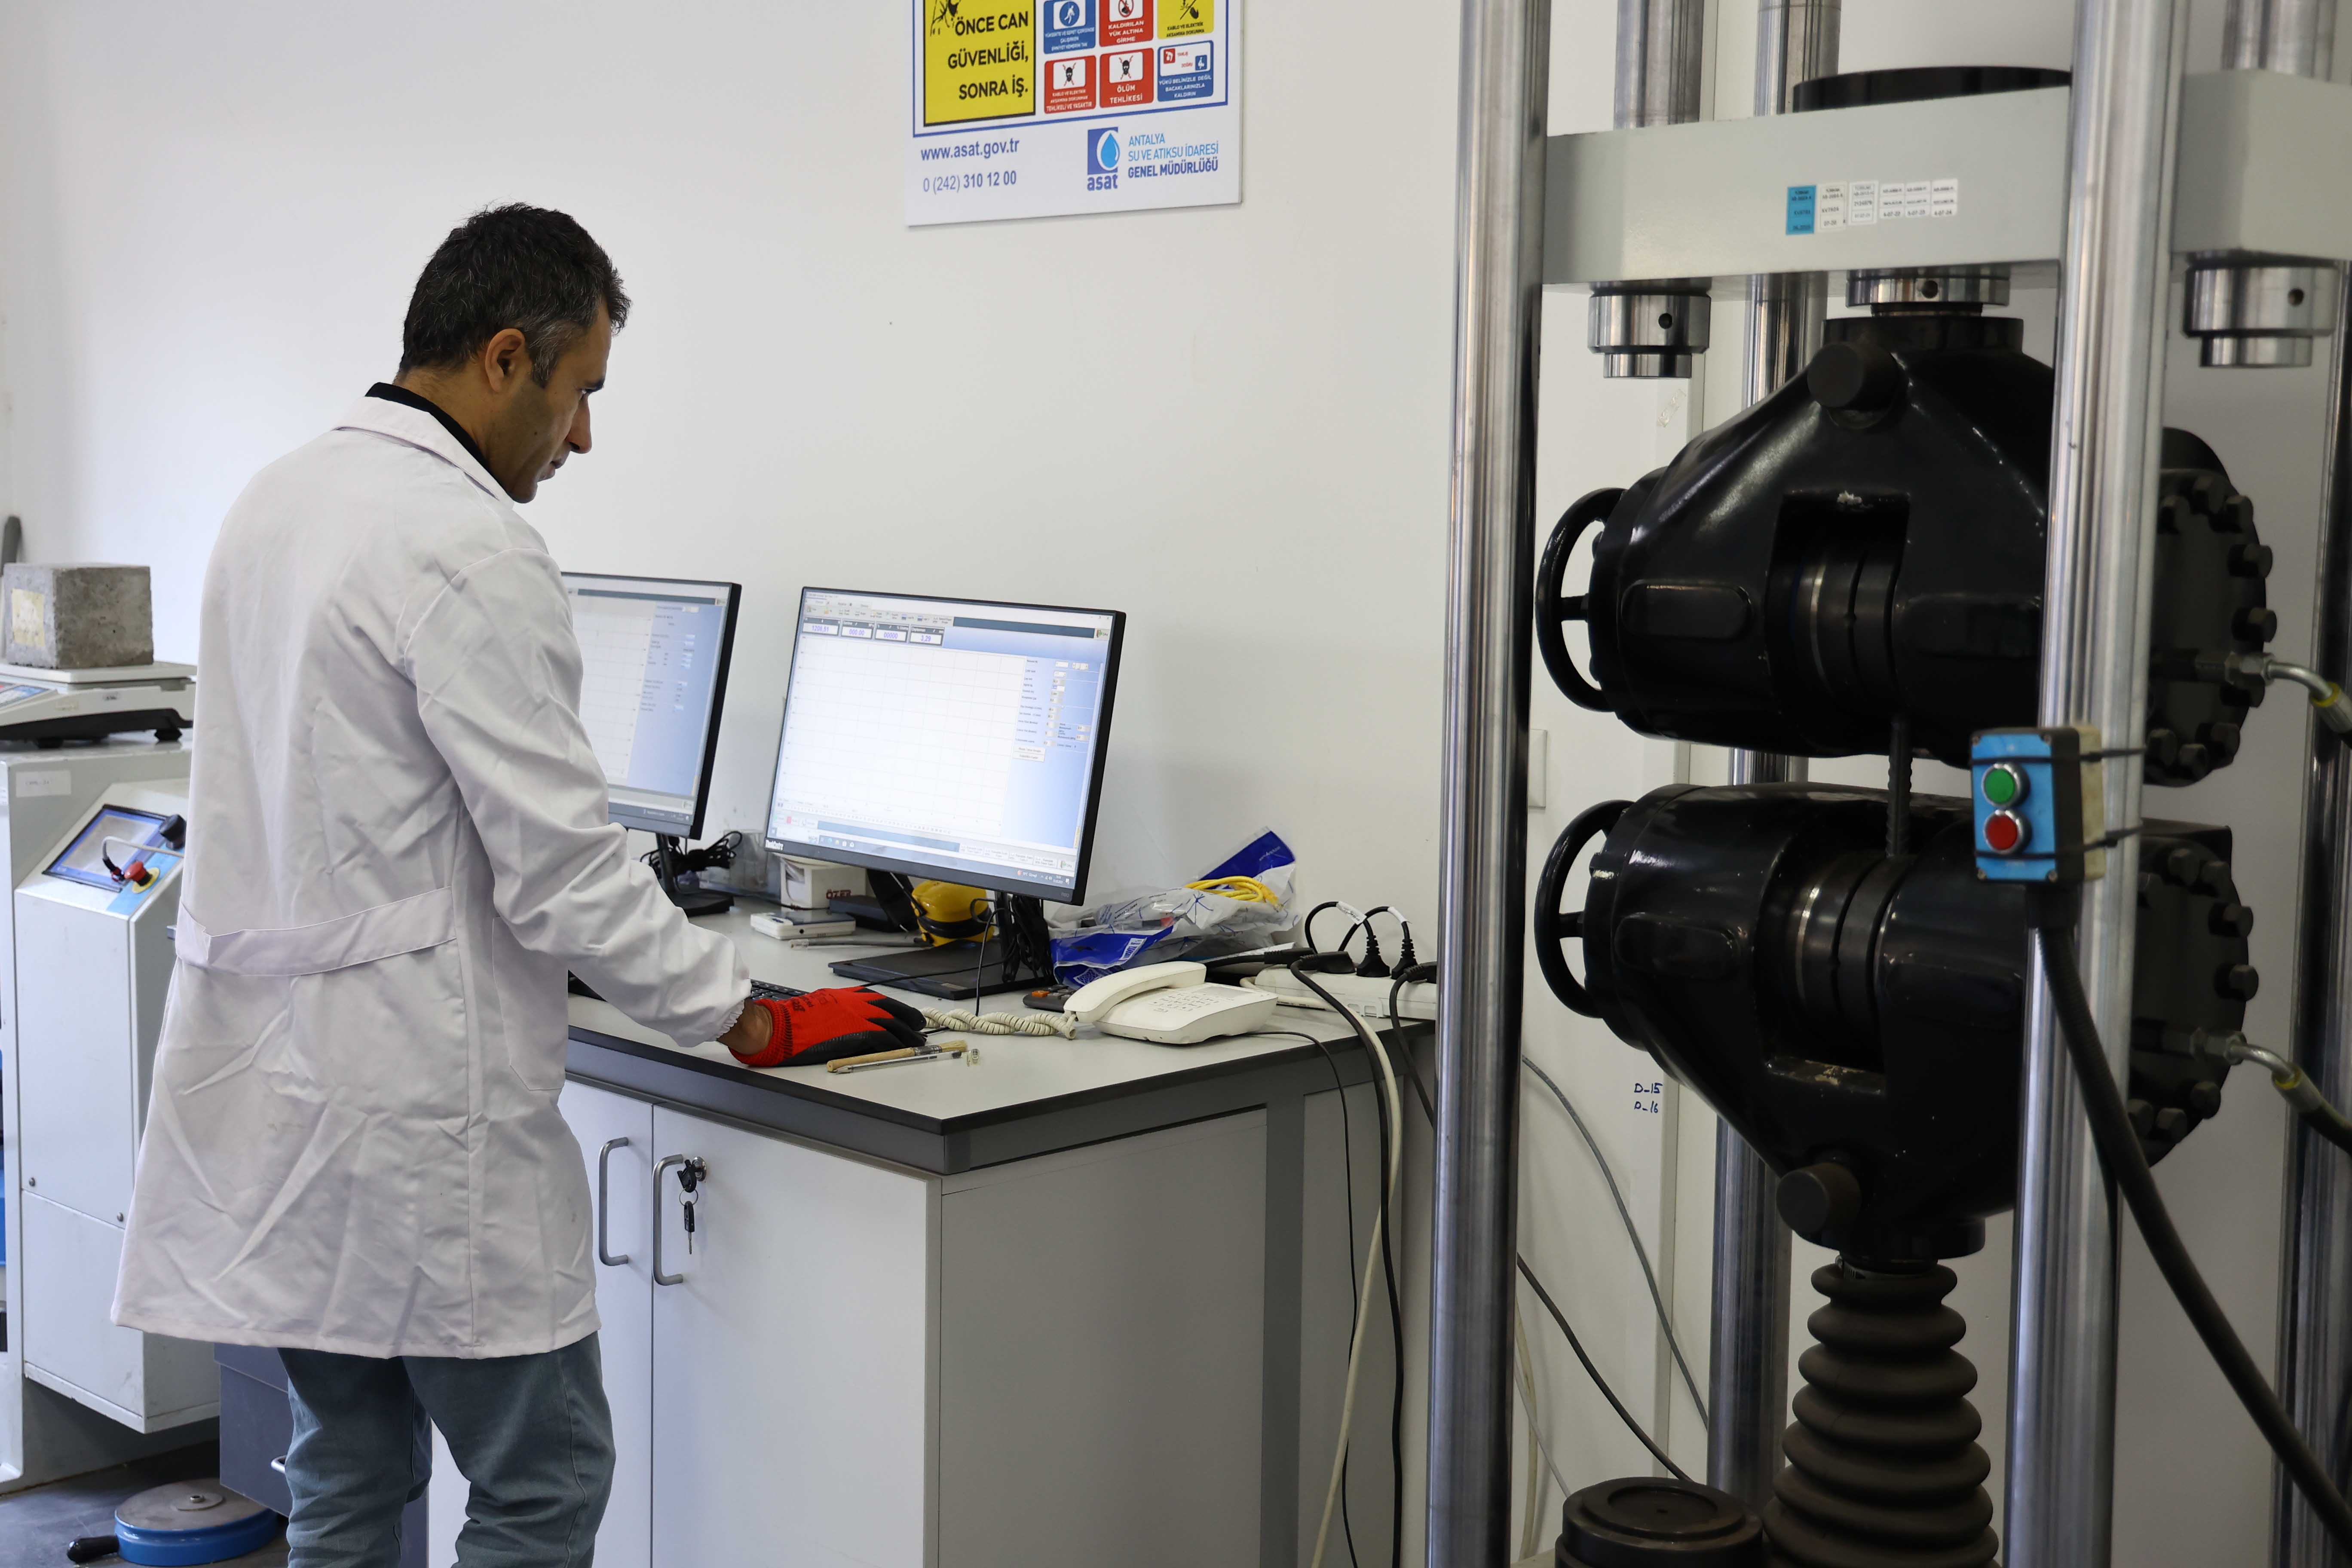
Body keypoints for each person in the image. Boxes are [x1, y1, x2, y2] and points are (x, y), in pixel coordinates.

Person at [111, 205, 922, 1568]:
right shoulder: (469, 546)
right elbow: (565, 874)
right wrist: (744, 1014)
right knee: (545, 1482)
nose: (583, 437)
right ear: (504, 358)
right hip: (417, 1109)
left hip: (279, 1102)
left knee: (346, 1470)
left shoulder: (278, 498)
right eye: (580, 390)